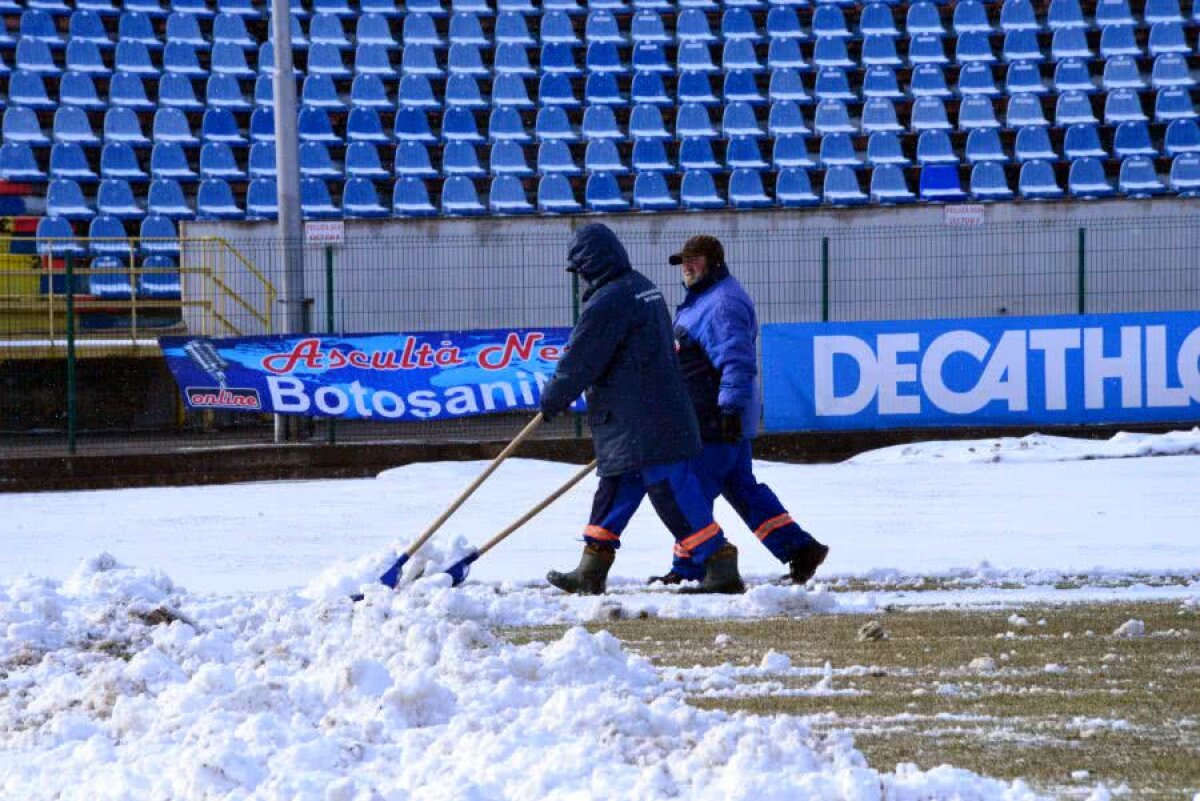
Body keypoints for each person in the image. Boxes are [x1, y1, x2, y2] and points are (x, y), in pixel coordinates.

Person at [539, 223, 745, 595]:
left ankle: (719, 561)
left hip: (645, 421)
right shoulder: (640, 286)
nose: (581, 276)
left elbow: (581, 360)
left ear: (593, 262)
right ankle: (592, 567)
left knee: (672, 492)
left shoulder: (609, 302)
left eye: (581, 268)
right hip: (645, 415)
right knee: (617, 486)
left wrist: (553, 398)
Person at [650, 234, 830, 586]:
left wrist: (728, 409)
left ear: (713, 262)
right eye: (683, 262)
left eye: (694, 260)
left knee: (693, 492)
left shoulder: (721, 304)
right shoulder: (707, 299)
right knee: (743, 490)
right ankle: (800, 548)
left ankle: (690, 568)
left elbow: (736, 360)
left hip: (714, 419)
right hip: (720, 417)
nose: (687, 267)